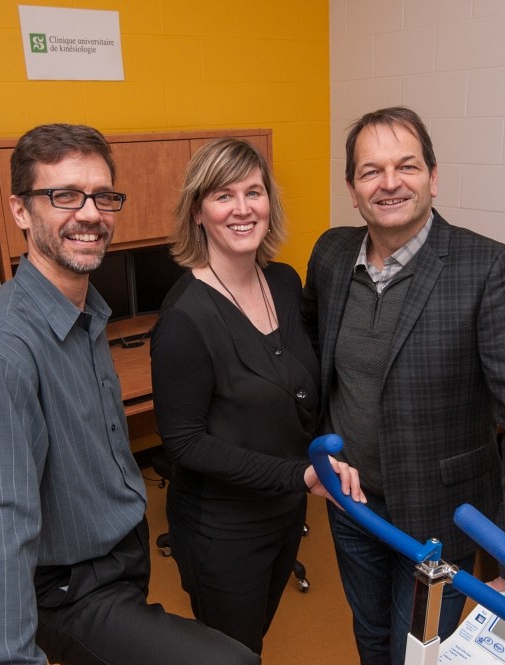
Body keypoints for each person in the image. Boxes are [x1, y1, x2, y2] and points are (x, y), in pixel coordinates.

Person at [0, 124, 259, 665]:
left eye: (102, 196)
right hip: (68, 591)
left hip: (118, 559)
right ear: (20, 210)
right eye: (63, 195)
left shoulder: (86, 315)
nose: (89, 213)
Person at [302, 107, 505, 665]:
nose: (389, 182)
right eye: (370, 171)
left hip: (440, 516)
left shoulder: (489, 267)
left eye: (407, 166)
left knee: (419, 650)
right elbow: (312, 364)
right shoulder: (329, 254)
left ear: (434, 178)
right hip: (353, 504)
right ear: (352, 189)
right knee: (370, 634)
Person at [149, 137, 365, 655]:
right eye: (223, 196)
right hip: (222, 531)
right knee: (233, 653)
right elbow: (185, 444)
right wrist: (298, 475)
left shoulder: (285, 283)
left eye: (254, 192)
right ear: (198, 212)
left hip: (286, 514)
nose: (243, 209)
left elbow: (303, 388)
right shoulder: (184, 319)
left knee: (254, 640)